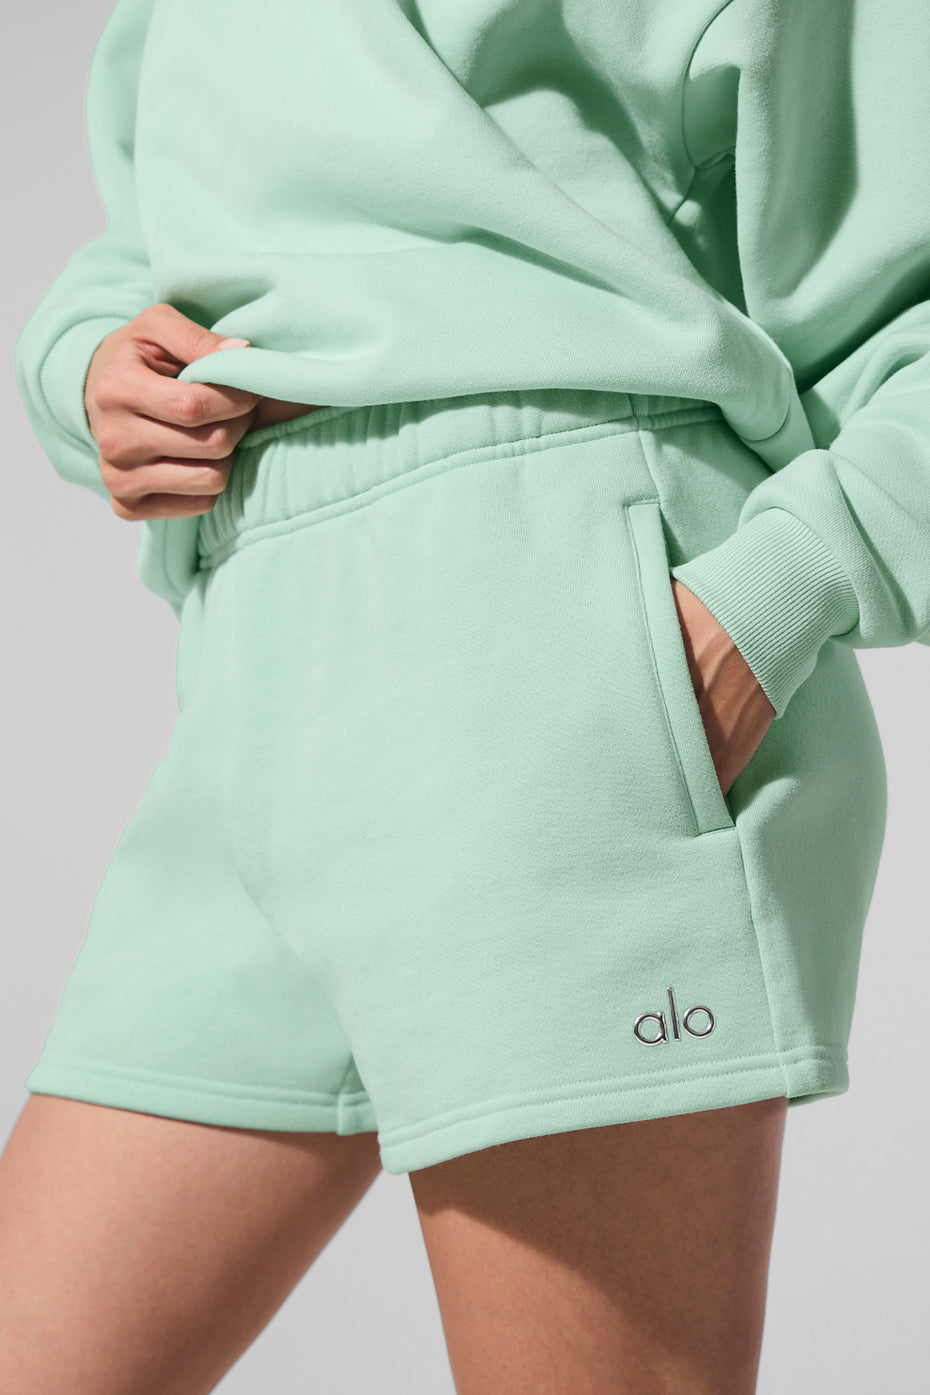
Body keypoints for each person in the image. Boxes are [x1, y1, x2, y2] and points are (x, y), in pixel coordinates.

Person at [3, 0, 924, 1389]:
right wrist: (86, 367)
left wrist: (772, 599)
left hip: (559, 655)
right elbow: (174, 223)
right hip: (261, 680)